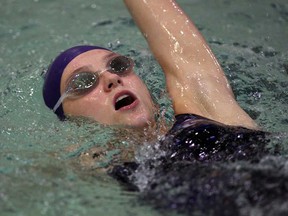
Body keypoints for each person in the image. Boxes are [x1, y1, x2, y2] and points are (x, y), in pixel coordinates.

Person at [43, 0, 259, 131]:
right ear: (69, 121)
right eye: (84, 81)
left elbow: (180, 50)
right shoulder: (88, 177)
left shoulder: (208, 114)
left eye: (117, 65)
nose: (111, 78)